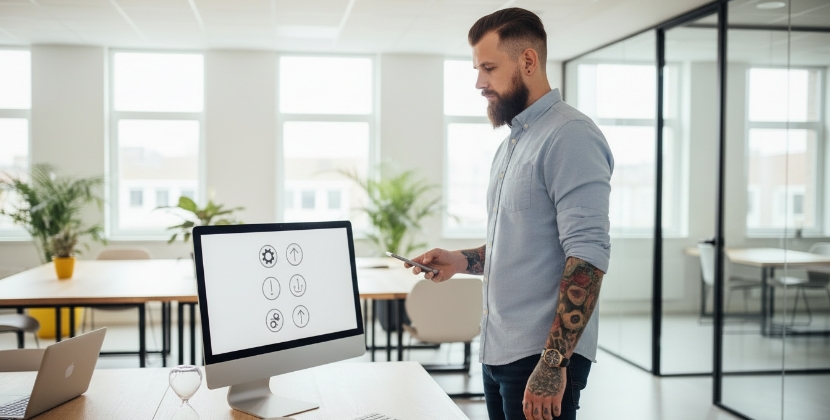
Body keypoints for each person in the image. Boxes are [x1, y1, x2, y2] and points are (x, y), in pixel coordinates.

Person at [403, 8, 613, 420]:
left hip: (540, 357)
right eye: (477, 69)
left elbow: (587, 257)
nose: (479, 83)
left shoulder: (570, 136)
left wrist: (552, 364)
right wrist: (460, 260)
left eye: (489, 68)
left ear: (528, 61)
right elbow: (522, 245)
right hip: (499, 349)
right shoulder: (513, 144)